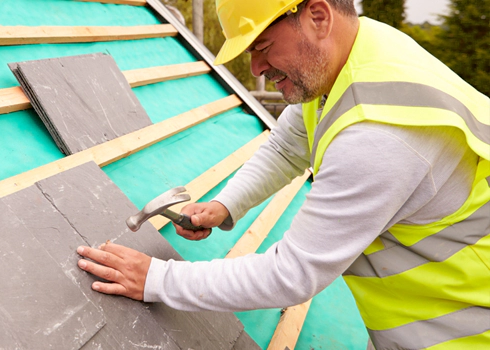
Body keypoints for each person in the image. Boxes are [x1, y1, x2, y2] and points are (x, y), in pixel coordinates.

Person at [76, 0, 490, 348]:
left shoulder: (381, 135)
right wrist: (225, 204)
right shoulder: (355, 55)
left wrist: (156, 279)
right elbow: (289, 143)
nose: (256, 68)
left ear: (318, 16)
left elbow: (291, 274)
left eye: (263, 46)